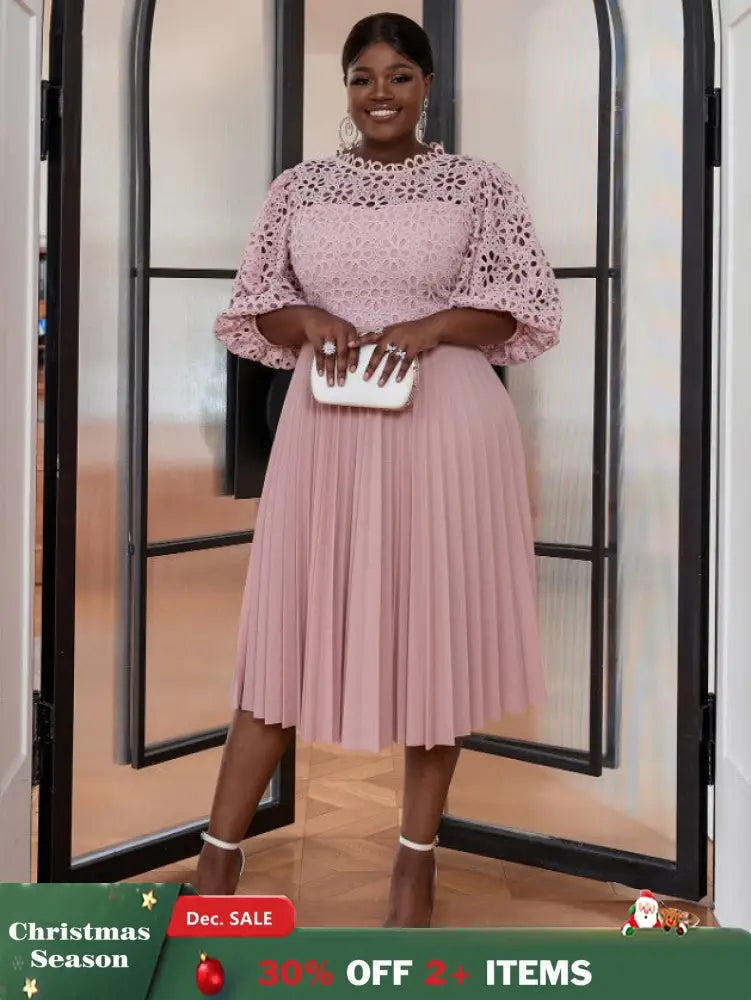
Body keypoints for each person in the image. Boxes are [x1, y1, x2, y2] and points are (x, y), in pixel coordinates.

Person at [197, 12, 562, 927]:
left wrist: (435, 325)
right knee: (286, 635)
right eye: (363, 77)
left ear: (427, 85)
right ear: (346, 89)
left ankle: (413, 869)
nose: (380, 93)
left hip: (447, 429)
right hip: (325, 428)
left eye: (399, 75)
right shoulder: (299, 187)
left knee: (434, 641)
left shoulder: (478, 184)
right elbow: (258, 305)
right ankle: (214, 866)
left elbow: (521, 307)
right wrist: (307, 320)